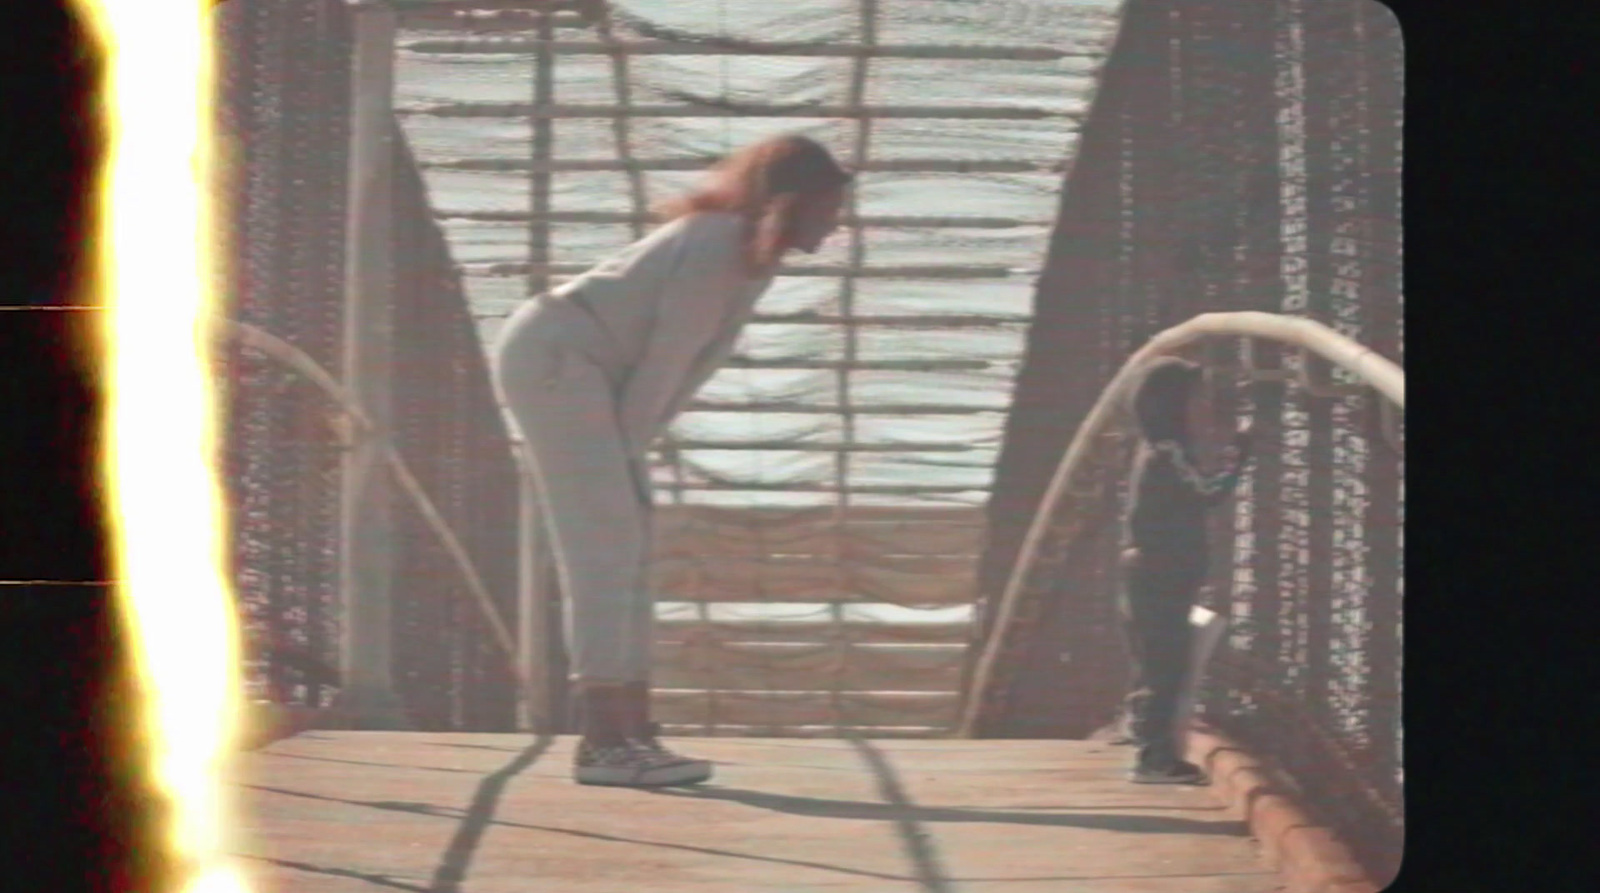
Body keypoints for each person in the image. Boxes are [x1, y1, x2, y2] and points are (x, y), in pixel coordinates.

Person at [491, 134, 852, 787]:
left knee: (626, 542)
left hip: (578, 367)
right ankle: (604, 740)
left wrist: (632, 454)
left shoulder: (746, 255)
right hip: (558, 360)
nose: (836, 225)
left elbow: (688, 368)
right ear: (792, 203)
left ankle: (628, 726)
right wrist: (630, 455)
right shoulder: (716, 245)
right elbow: (665, 362)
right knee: (604, 546)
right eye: (828, 210)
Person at [1116, 356, 1253, 784]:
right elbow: (1206, 492)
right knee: (1166, 665)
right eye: (1197, 398)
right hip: (1160, 579)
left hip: (1154, 577)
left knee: (1158, 662)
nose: (1205, 407)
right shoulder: (1168, 452)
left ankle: (1149, 743)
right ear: (1173, 405)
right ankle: (1154, 758)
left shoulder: (1157, 451)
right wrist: (1240, 455)